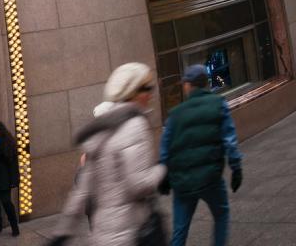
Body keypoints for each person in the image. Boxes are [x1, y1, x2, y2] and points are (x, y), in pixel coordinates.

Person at [46, 62, 167, 246]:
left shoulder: (102, 130)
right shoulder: (135, 125)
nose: (150, 94)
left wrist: (62, 233)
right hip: (131, 233)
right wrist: (163, 170)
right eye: (147, 88)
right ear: (133, 91)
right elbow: (139, 185)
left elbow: (82, 192)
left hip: (103, 235)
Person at [160, 64, 243, 246]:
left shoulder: (174, 115)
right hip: (210, 180)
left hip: (182, 183)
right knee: (221, 214)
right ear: (205, 83)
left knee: (180, 230)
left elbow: (164, 150)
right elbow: (229, 140)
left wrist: (164, 177)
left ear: (189, 85)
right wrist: (236, 168)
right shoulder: (218, 104)